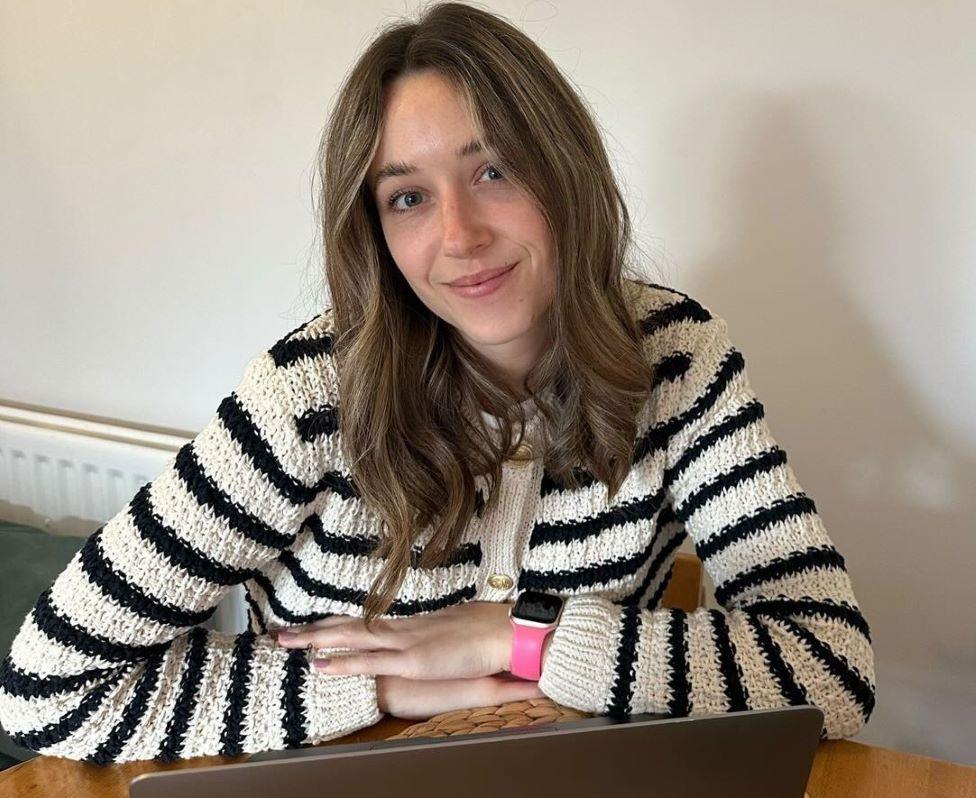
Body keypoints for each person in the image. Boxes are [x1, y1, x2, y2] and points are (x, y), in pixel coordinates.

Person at [0, 1, 875, 764]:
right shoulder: (306, 397)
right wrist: (376, 691)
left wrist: (521, 639)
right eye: (407, 197)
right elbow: (44, 687)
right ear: (375, 230)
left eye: (494, 171)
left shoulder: (679, 355)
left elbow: (831, 671)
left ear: (565, 174)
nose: (459, 235)